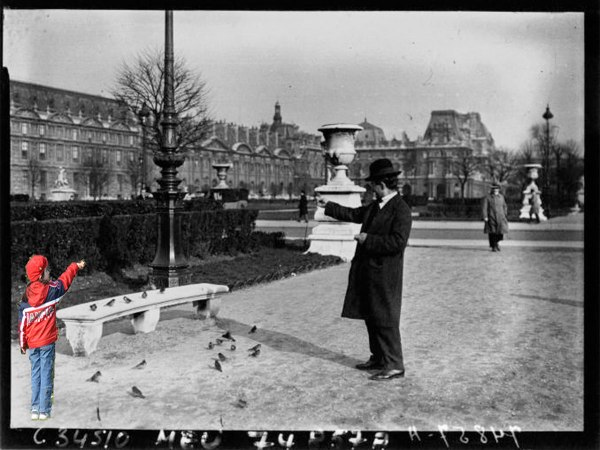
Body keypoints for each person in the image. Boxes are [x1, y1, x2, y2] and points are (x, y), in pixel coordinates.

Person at [316, 158, 412, 381]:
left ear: (381, 184)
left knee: (386, 319)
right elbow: (353, 214)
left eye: (372, 185)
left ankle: (394, 364)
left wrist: (368, 239)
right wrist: (327, 205)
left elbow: (397, 243)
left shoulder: (401, 209)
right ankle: (378, 358)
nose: (371, 189)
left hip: (386, 274)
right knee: (372, 316)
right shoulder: (376, 206)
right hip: (369, 271)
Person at [18, 255, 86, 421]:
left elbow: (22, 324)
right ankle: (44, 410)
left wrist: (23, 344)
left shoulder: (25, 297)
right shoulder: (51, 291)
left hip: (33, 344)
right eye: (47, 270)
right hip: (47, 343)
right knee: (47, 374)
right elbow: (65, 281)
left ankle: (35, 409)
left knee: (36, 374)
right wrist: (75, 266)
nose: (50, 272)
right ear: (41, 275)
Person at [482, 183, 509, 252]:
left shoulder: (501, 197)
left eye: (497, 188)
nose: (495, 190)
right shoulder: (488, 197)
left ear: (499, 189)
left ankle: (496, 243)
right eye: (494, 189)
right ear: (492, 189)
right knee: (493, 232)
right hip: (491, 217)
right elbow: (484, 208)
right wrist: (485, 216)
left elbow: (504, 206)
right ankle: (494, 246)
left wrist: (505, 214)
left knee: (500, 233)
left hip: (501, 217)